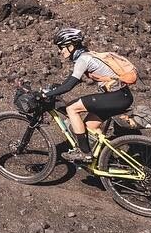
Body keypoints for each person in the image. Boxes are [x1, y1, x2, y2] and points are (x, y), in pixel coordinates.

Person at [38, 26, 136, 163]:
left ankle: (84, 153)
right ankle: (106, 161)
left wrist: (47, 94)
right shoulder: (88, 56)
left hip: (116, 97)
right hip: (122, 97)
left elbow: (69, 85)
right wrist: (56, 89)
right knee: (90, 127)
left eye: (61, 47)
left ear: (71, 46)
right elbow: (73, 79)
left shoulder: (83, 59)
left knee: (71, 108)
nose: (60, 51)